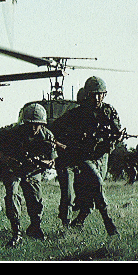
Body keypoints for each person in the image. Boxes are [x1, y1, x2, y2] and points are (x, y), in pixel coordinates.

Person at [54, 76, 122, 236]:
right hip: (82, 157)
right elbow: (55, 130)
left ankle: (78, 222)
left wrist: (113, 140)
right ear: (87, 95)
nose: (97, 98)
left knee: (92, 193)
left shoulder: (109, 111)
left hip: (101, 157)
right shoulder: (77, 114)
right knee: (97, 184)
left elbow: (117, 133)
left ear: (104, 94)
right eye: (93, 94)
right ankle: (108, 222)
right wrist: (66, 144)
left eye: (100, 94)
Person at [0, 103, 57, 246]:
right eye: (30, 124)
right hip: (13, 168)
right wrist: (4, 158)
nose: (33, 128)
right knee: (12, 195)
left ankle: (35, 228)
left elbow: (52, 161)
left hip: (33, 170)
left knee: (36, 200)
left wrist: (40, 161)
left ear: (42, 124)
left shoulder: (47, 136)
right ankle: (16, 232)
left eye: (37, 125)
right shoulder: (13, 131)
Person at [51, 87, 85, 227]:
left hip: (82, 161)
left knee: (84, 193)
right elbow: (51, 136)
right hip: (66, 161)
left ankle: (79, 221)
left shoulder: (93, 119)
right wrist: (62, 146)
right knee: (68, 194)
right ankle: (66, 222)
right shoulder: (69, 117)